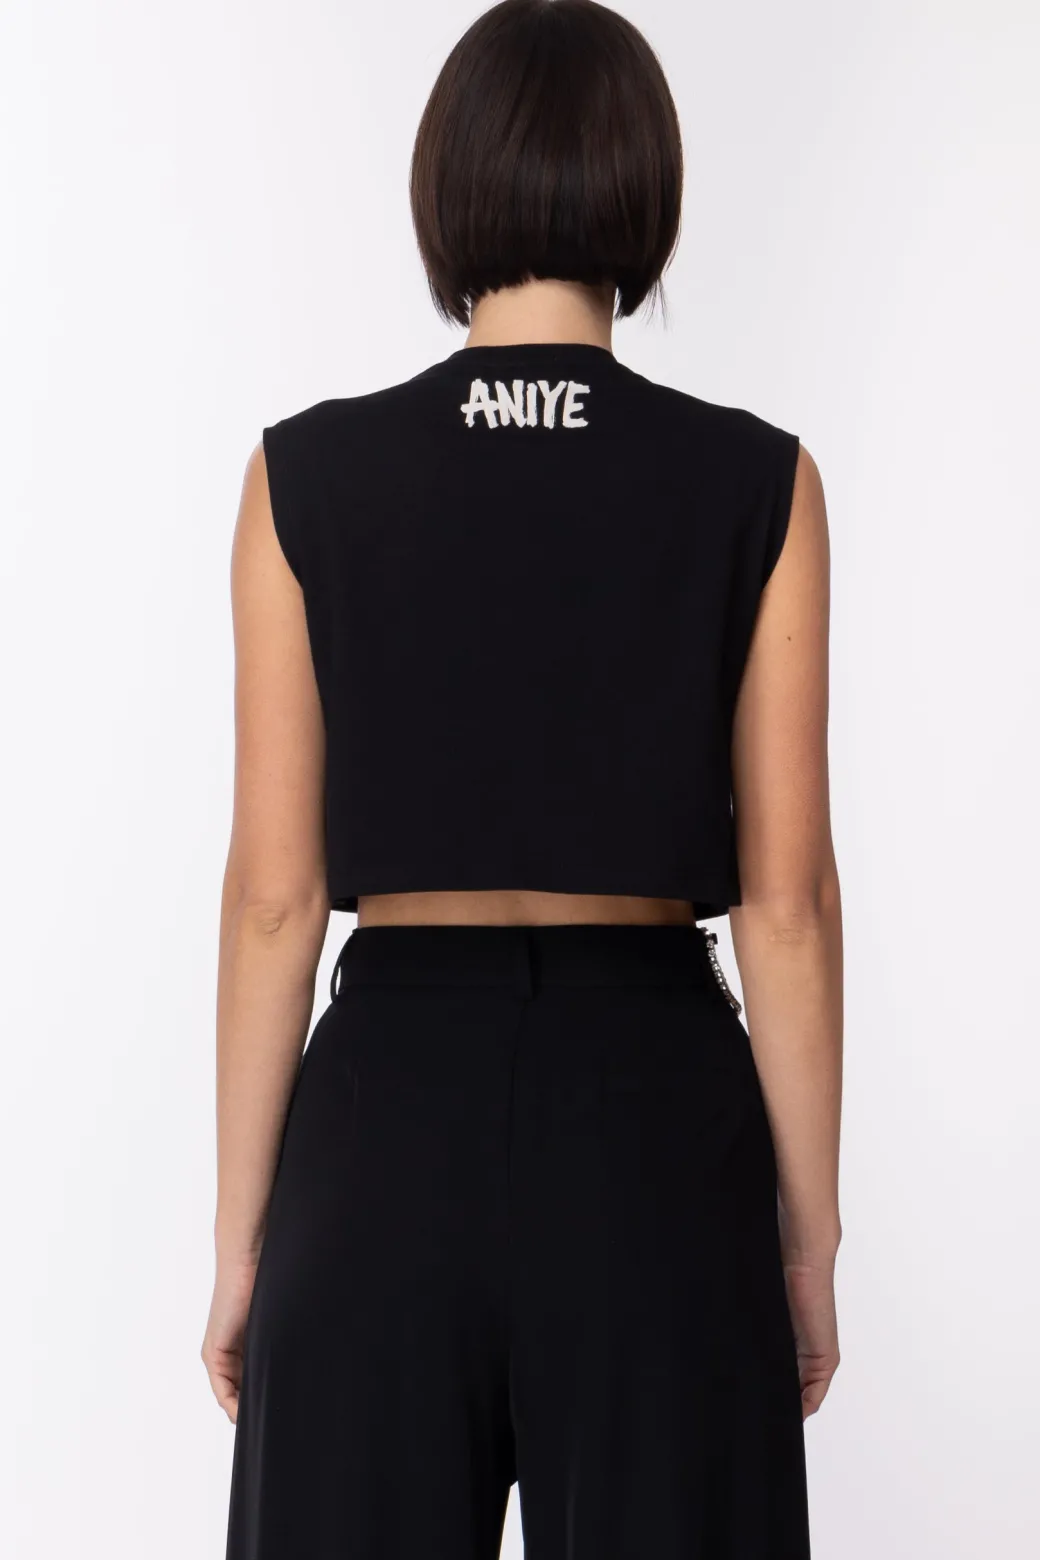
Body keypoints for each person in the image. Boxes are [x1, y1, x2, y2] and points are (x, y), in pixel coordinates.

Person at [203, 1, 843, 1555]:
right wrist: (809, 1241)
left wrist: (243, 1244)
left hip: (382, 1134)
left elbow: (277, 899)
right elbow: (787, 908)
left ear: (447, 190)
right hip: (653, 1131)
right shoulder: (759, 481)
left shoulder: (305, 476)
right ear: (646, 191)